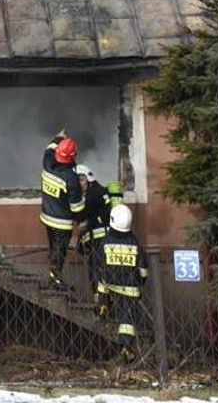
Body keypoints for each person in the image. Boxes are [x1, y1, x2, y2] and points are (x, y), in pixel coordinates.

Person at [96, 203, 148, 363]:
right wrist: (140, 282)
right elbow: (143, 271)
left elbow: (99, 264)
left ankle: (103, 304)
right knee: (128, 318)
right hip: (130, 288)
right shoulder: (135, 244)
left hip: (109, 283)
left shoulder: (105, 242)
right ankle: (126, 345)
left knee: (101, 281)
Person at [41, 131, 85, 290]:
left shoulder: (47, 162)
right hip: (62, 223)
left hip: (46, 217)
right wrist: (81, 220)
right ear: (73, 156)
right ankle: (55, 279)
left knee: (53, 247)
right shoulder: (71, 178)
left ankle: (53, 274)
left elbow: (49, 148)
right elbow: (77, 208)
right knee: (60, 251)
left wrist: (58, 136)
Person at [75, 165, 109, 297]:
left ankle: (100, 302)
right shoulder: (101, 192)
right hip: (100, 242)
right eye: (77, 181)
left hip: (99, 242)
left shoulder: (93, 195)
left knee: (97, 272)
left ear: (89, 180)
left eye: (82, 180)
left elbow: (80, 215)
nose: (79, 184)